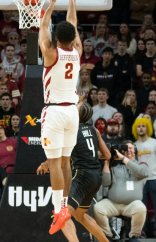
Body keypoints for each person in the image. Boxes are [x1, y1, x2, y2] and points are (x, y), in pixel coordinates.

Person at [38, 0, 83, 233]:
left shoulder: (50, 53)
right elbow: (73, 25)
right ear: (73, 38)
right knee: (65, 163)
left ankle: (58, 210)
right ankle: (64, 206)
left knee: (55, 163)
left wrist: (50, 4)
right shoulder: (76, 51)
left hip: (54, 111)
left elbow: (42, 28)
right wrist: (72, 0)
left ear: (56, 37)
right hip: (71, 112)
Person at [38, 102, 111, 242]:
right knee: (79, 215)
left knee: (62, 215)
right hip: (96, 176)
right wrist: (89, 154)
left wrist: (45, 163)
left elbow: (59, 153)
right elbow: (107, 155)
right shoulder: (94, 130)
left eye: (75, 106)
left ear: (76, 114)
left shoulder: (71, 130)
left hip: (82, 175)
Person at [93, 140, 149, 242]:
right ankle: (107, 236)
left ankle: (134, 237)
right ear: (121, 151)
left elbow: (142, 173)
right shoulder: (114, 166)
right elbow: (105, 183)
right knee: (97, 208)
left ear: (135, 150)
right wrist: (106, 163)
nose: (128, 150)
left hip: (132, 205)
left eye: (131, 148)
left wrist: (123, 158)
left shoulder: (142, 163)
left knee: (141, 208)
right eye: (126, 148)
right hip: (113, 203)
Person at [133, 117, 156, 237]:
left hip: (154, 178)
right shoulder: (134, 145)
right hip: (139, 180)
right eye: (139, 126)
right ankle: (141, 231)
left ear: (148, 127)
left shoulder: (155, 143)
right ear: (135, 129)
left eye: (143, 126)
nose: (141, 128)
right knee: (141, 208)